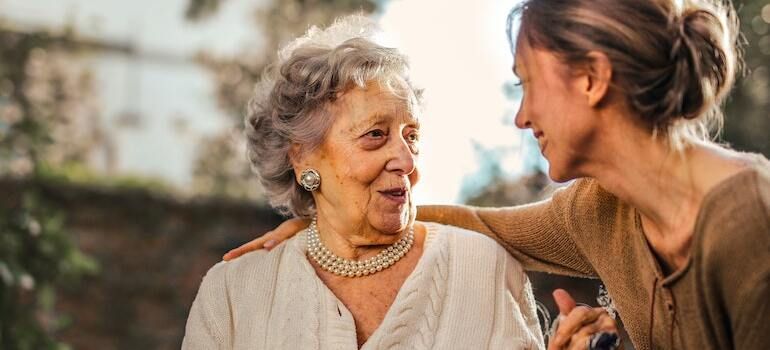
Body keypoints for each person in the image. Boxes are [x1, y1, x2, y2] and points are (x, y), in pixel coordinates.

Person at [223, 1, 770, 349]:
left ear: (592, 79)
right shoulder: (598, 211)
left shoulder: (751, 221)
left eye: (526, 83)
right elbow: (482, 224)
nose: (522, 116)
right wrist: (332, 220)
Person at [182, 16, 552, 349]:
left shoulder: (484, 269)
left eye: (411, 135)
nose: (407, 161)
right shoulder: (232, 293)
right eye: (376, 134)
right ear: (302, 158)